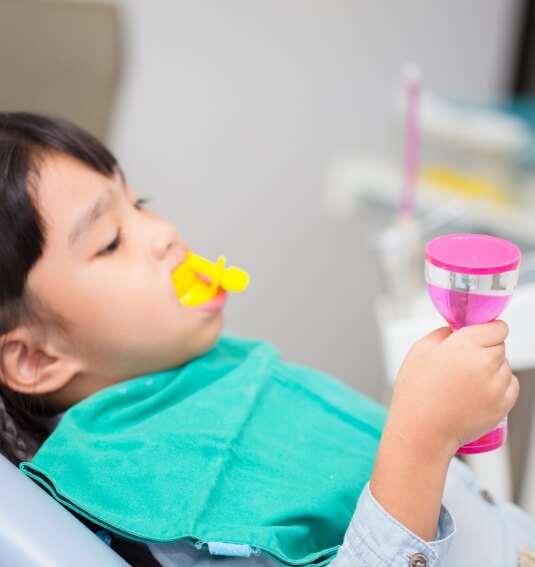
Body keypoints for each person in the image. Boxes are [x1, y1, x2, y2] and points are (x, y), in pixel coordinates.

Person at [0, 112, 534, 567]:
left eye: (140, 204)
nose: (163, 232)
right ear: (34, 357)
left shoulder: (201, 371)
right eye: (111, 241)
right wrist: (422, 439)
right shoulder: (152, 497)